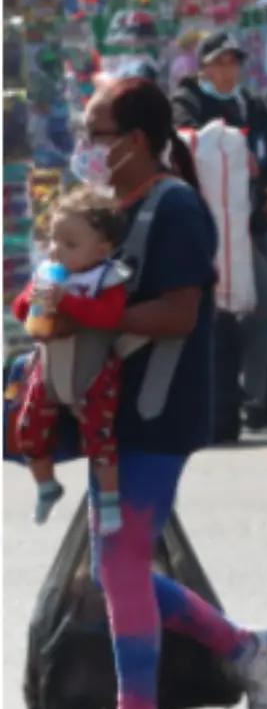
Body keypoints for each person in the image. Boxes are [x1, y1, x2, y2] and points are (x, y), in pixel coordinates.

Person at [48, 77, 267, 709]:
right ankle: (248, 649)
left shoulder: (174, 208)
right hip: (110, 419)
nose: (86, 145)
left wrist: (90, 316)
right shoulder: (114, 212)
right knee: (115, 568)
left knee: (119, 565)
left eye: (95, 133)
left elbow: (182, 314)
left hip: (156, 415)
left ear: (132, 141)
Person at [170, 30, 267, 435]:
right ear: (203, 66)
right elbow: (191, 146)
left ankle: (255, 404)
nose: (227, 71)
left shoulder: (251, 105)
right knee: (265, 300)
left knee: (262, 305)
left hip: (257, 218)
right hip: (219, 224)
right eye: (219, 63)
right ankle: (228, 378)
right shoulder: (187, 102)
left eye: (233, 62)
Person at [13, 190, 136, 531]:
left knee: (100, 436)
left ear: (101, 249)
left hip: (94, 370)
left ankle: (109, 501)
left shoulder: (108, 279)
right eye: (53, 239)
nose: (56, 250)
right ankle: (46, 485)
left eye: (69, 243)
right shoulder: (48, 273)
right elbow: (21, 310)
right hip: (50, 368)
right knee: (27, 427)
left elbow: (108, 317)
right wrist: (32, 302)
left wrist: (68, 301)